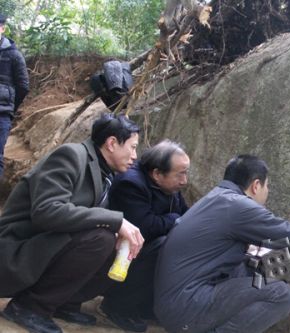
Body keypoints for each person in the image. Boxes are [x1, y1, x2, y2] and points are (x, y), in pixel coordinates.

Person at [0, 113, 145, 333]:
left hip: (41, 244)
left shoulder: (105, 172)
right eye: (132, 147)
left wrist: (117, 230)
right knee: (102, 238)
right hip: (16, 248)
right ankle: (29, 306)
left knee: (118, 243)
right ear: (112, 143)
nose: (135, 155)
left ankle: (63, 303)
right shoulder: (71, 155)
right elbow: (46, 212)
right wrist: (115, 221)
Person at [154, 154, 290, 333]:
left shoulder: (217, 198)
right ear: (256, 186)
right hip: (186, 308)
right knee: (281, 295)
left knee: (247, 267)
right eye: (267, 185)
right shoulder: (239, 206)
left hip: (173, 305)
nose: (267, 191)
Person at [101, 140, 190, 332]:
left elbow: (186, 216)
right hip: (118, 256)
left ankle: (143, 306)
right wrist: (174, 219)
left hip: (141, 255)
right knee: (165, 245)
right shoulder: (130, 183)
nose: (184, 180)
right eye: (180, 174)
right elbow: (145, 227)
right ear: (157, 174)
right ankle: (117, 305)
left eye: (186, 172)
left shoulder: (169, 187)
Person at [0, 13, 29, 179]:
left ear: (2, 28)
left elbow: (23, 86)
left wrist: (10, 106)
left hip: (2, 114)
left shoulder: (14, 55)